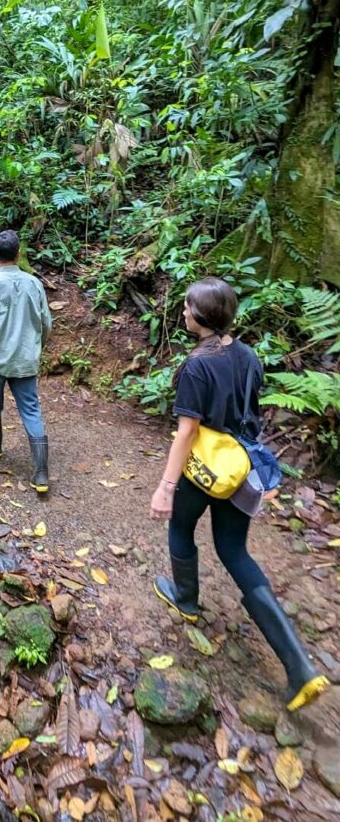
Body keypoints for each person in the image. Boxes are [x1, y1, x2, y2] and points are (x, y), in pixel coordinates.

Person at [150, 277, 328, 711]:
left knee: (181, 526)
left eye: (189, 307)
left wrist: (165, 486)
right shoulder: (247, 354)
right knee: (234, 551)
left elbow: (186, 433)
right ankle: (299, 667)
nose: (184, 312)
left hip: (205, 468)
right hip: (242, 467)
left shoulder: (196, 366)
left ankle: (187, 600)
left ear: (202, 316)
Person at [0, 229, 53, 495]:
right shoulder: (35, 284)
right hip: (26, 360)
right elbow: (46, 324)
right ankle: (41, 473)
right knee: (31, 409)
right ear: (19, 254)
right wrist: (35, 347)